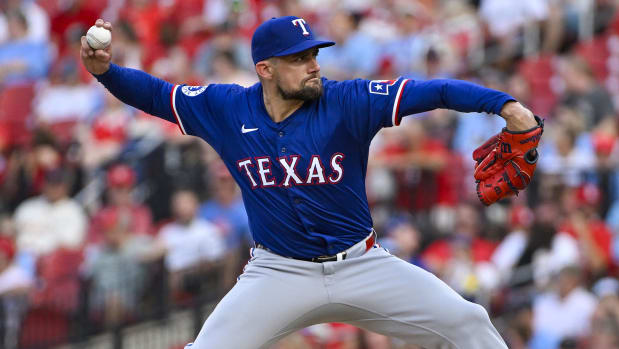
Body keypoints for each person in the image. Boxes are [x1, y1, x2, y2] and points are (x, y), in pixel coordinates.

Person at [81, 16, 540, 349]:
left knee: (468, 321)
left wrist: (507, 107)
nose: (313, 65)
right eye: (298, 59)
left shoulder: (348, 100)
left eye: (314, 55)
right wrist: (106, 72)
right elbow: (156, 95)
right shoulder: (226, 109)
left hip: (363, 265)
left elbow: (435, 91)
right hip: (279, 272)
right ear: (265, 69)